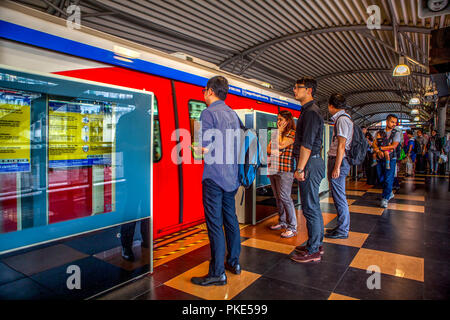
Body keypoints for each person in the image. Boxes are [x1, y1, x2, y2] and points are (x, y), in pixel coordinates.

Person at [190, 76, 242, 286]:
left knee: (214, 224)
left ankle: (217, 273)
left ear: (210, 91)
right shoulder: (232, 114)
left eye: (204, 90)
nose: (203, 94)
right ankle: (234, 263)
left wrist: (195, 146)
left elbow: (203, 147)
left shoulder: (208, 113)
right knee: (231, 219)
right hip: (231, 176)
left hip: (214, 177)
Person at [290, 77, 325, 263]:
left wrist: (300, 168)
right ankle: (316, 243)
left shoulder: (311, 112)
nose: (294, 90)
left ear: (309, 90)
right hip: (312, 162)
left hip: (309, 163)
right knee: (313, 206)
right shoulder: (308, 111)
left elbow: (307, 145)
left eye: (298, 88)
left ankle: (313, 251)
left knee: (310, 208)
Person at [324, 93, 353, 240]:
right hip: (339, 160)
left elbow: (342, 145)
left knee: (339, 197)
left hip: (339, 160)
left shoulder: (342, 120)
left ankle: (343, 229)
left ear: (331, 105)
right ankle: (341, 227)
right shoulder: (344, 119)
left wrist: (337, 167)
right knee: (337, 196)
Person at [267, 110, 297, 238]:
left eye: (280, 119)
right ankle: (282, 222)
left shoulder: (292, 133)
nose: (278, 122)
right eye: (277, 119)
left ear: (288, 120)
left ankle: (292, 227)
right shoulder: (276, 133)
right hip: (274, 168)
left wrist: (278, 134)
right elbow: (268, 148)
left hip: (285, 169)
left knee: (285, 197)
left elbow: (281, 145)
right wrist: (273, 150)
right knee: (277, 197)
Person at [374, 114, 401, 208]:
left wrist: (380, 148)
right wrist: (377, 150)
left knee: (388, 179)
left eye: (395, 122)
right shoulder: (379, 132)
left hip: (391, 158)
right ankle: (389, 192)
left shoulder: (396, 133)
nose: (394, 124)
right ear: (387, 121)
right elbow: (374, 143)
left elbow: (394, 146)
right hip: (380, 158)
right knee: (380, 178)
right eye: (392, 122)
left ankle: (385, 198)